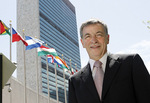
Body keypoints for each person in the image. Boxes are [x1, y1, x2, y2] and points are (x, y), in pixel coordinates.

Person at [68, 19, 150, 103]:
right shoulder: (74, 81)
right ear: (82, 43)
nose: (94, 40)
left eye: (98, 35)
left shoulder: (131, 63)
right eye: (88, 36)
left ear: (107, 39)